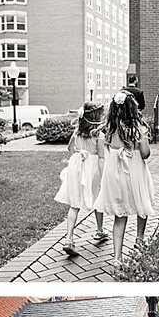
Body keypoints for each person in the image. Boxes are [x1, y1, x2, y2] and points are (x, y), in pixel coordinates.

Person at [94, 90, 155, 266]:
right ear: (133, 109)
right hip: (135, 172)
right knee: (141, 204)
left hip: (115, 174)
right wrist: (142, 139)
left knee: (119, 216)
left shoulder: (110, 129)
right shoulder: (139, 128)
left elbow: (107, 151)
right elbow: (145, 154)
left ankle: (117, 257)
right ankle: (139, 239)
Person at [54, 101, 107, 257]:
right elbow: (102, 157)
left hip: (76, 165)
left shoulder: (77, 132)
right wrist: (103, 176)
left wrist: (80, 153)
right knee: (98, 198)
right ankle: (99, 231)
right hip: (92, 167)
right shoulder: (99, 135)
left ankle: (69, 239)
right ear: (96, 116)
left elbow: (70, 149)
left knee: (75, 204)